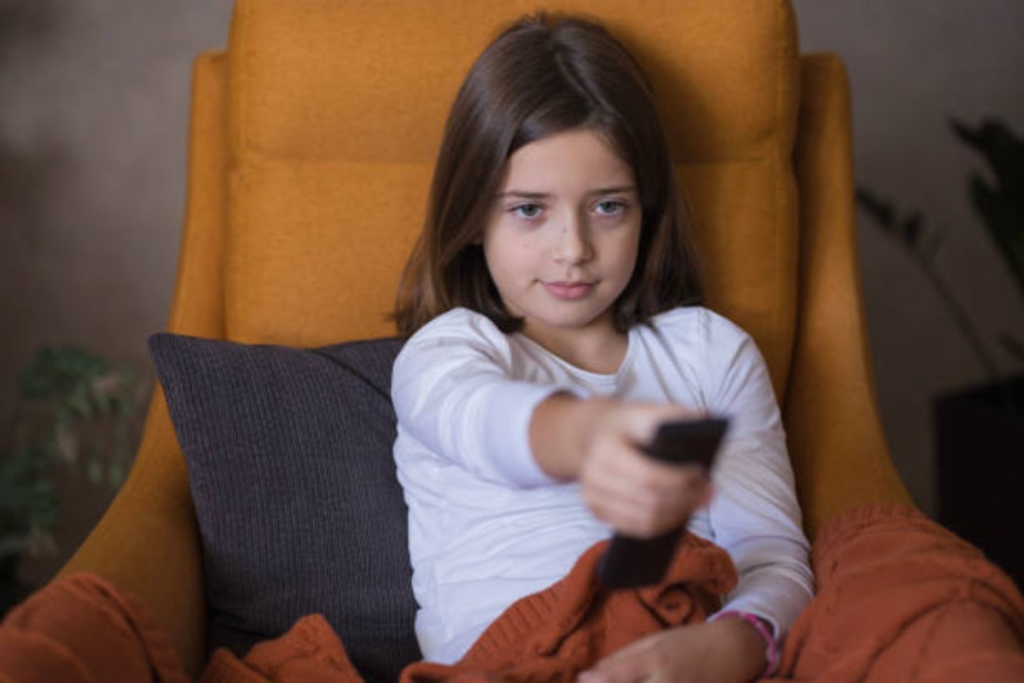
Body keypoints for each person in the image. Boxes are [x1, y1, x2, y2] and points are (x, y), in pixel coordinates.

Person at [390, 13, 814, 683]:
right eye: (529, 209)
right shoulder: (448, 350)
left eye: (608, 207)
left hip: (679, 647)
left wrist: (726, 648)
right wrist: (590, 436)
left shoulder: (710, 353)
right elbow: (482, 417)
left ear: (647, 209)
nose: (574, 249)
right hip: (510, 661)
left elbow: (771, 558)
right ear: (473, 216)